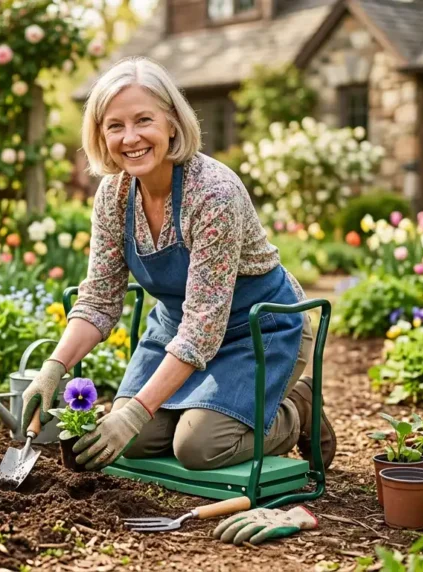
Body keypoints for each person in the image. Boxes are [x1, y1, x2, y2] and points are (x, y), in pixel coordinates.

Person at [20, 57, 336, 472]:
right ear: (100, 135)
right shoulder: (114, 197)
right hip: (176, 330)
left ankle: (297, 408)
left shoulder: (213, 194)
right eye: (115, 125)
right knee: (132, 444)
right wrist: (52, 368)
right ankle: (207, 411)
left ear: (172, 122)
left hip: (259, 329)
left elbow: (204, 327)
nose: (130, 137)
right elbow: (99, 300)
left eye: (143, 120)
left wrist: (134, 413)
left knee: (200, 447)